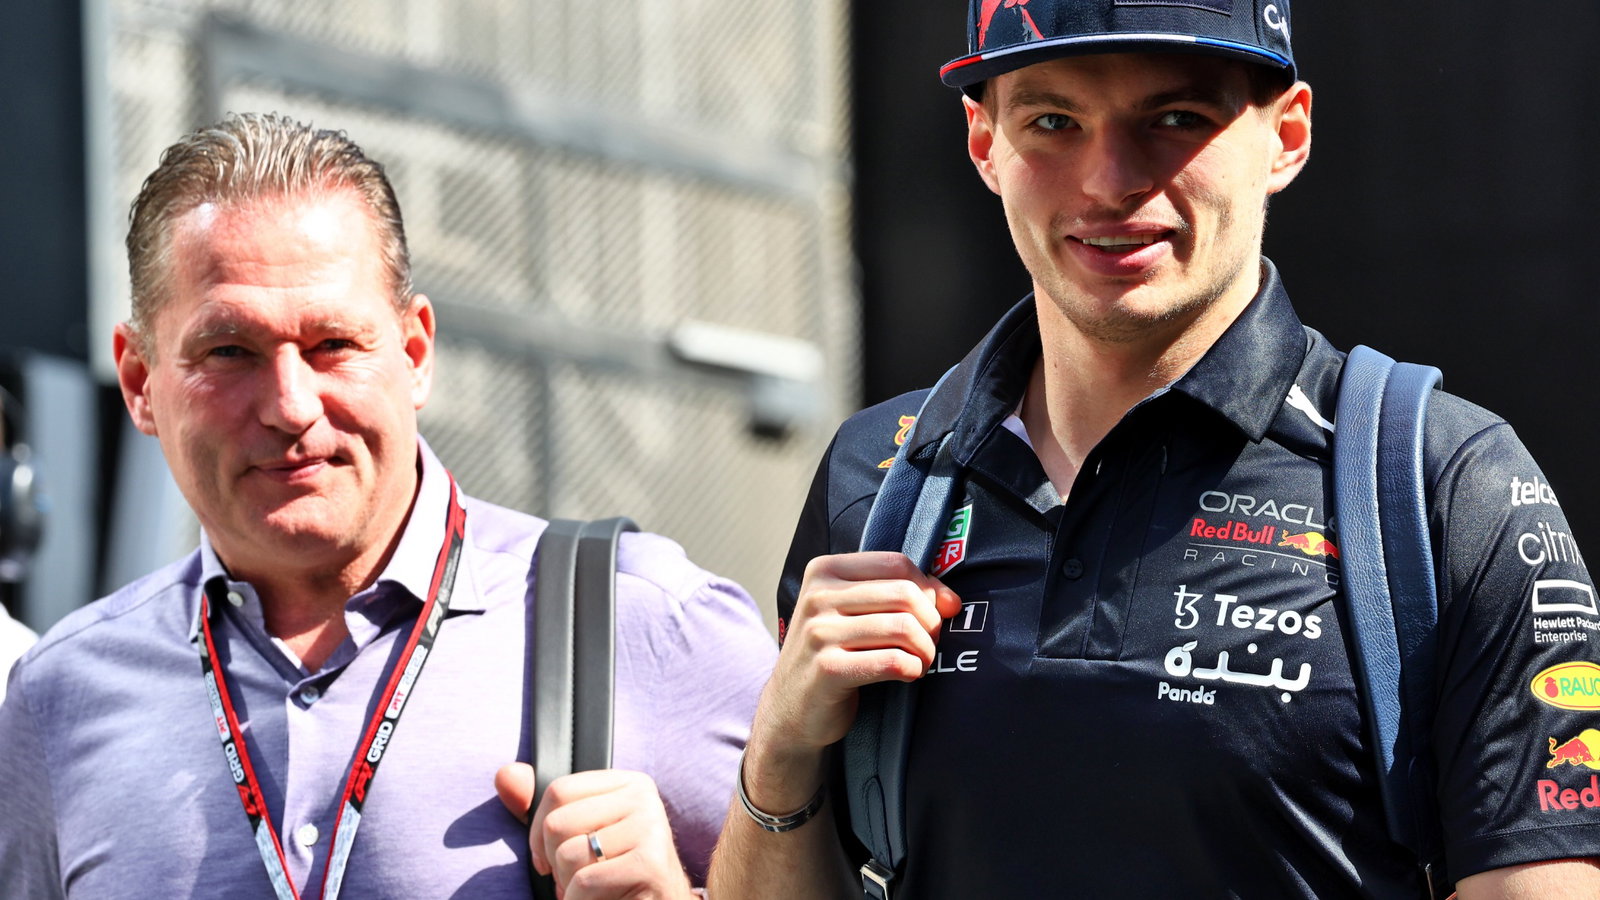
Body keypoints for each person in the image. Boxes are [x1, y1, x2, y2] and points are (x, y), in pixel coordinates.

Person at [710, 2, 1600, 897]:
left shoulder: (1448, 484)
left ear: (1286, 136)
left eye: (1176, 119)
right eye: (1053, 122)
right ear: (985, 144)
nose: (1108, 181)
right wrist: (778, 755)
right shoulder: (883, 476)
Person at [0, 113, 776, 899]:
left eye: (333, 343)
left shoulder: (650, 625)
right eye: (230, 350)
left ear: (414, 354)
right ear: (140, 383)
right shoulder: (58, 699)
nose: (290, 405)